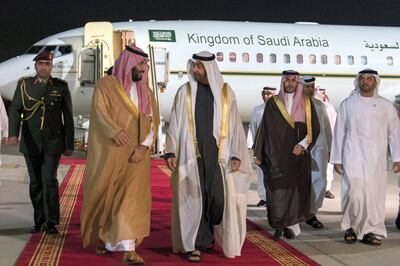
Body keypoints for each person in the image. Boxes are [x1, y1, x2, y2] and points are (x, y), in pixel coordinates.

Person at [165, 51, 252, 262]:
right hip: (191, 155)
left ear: (209, 68)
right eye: (194, 66)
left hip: (218, 157)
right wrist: (171, 150)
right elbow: (175, 123)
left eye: (199, 67)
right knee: (195, 199)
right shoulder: (184, 92)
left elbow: (235, 127)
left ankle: (210, 231)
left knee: (218, 199)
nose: (195, 70)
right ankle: (197, 243)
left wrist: (236, 154)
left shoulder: (226, 93)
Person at [80, 45, 159, 265]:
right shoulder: (106, 85)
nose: (144, 69)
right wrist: (115, 132)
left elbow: (153, 122)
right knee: (104, 195)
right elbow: (100, 112)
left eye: (145, 65)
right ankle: (104, 237)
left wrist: (143, 146)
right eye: (141, 64)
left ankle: (129, 249)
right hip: (111, 151)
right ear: (129, 63)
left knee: (132, 200)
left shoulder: (147, 91)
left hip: (136, 155)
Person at [330, 69, 400, 246]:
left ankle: (371, 231)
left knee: (374, 196)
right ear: (357, 81)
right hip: (352, 157)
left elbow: (394, 133)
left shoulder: (386, 106)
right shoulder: (348, 104)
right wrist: (337, 158)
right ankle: (350, 227)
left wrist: (398, 157)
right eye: (362, 78)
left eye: (369, 79)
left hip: (376, 159)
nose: (366, 82)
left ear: (375, 82)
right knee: (353, 193)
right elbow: (339, 132)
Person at [8, 51, 74, 234]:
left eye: (47, 64)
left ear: (51, 67)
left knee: (49, 180)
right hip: (30, 142)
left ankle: (52, 222)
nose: (44, 67)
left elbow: (68, 116)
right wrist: (13, 134)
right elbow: (15, 109)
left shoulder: (60, 86)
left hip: (53, 142)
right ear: (35, 66)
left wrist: (69, 144)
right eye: (41, 64)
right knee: (36, 182)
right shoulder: (24, 85)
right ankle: (39, 221)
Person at [254, 70, 320, 240]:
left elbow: (314, 128)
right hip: (275, 156)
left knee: (294, 192)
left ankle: (291, 226)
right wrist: (258, 151)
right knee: (276, 192)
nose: (289, 83)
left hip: (296, 156)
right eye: (287, 80)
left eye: (293, 80)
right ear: (282, 82)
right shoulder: (273, 103)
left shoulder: (306, 103)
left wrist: (302, 145)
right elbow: (264, 129)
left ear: (297, 82)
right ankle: (278, 224)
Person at [302, 77, 332, 229]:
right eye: (306, 86)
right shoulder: (293, 106)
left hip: (319, 147)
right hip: (299, 149)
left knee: (320, 180)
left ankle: (311, 213)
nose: (309, 89)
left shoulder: (320, 105)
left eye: (311, 87)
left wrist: (332, 148)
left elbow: (326, 128)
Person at [247, 87, 276, 207]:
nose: (266, 96)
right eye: (264, 94)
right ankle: (264, 198)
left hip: (275, 148)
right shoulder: (257, 110)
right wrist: (249, 144)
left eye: (268, 94)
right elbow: (252, 127)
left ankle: (275, 198)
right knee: (260, 173)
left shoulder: (280, 109)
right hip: (261, 148)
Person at [317, 88, 337, 199]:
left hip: (328, 142)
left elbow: (334, 124)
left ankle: (326, 190)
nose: (321, 94)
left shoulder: (330, 107)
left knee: (329, 167)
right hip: (316, 142)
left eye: (323, 92)